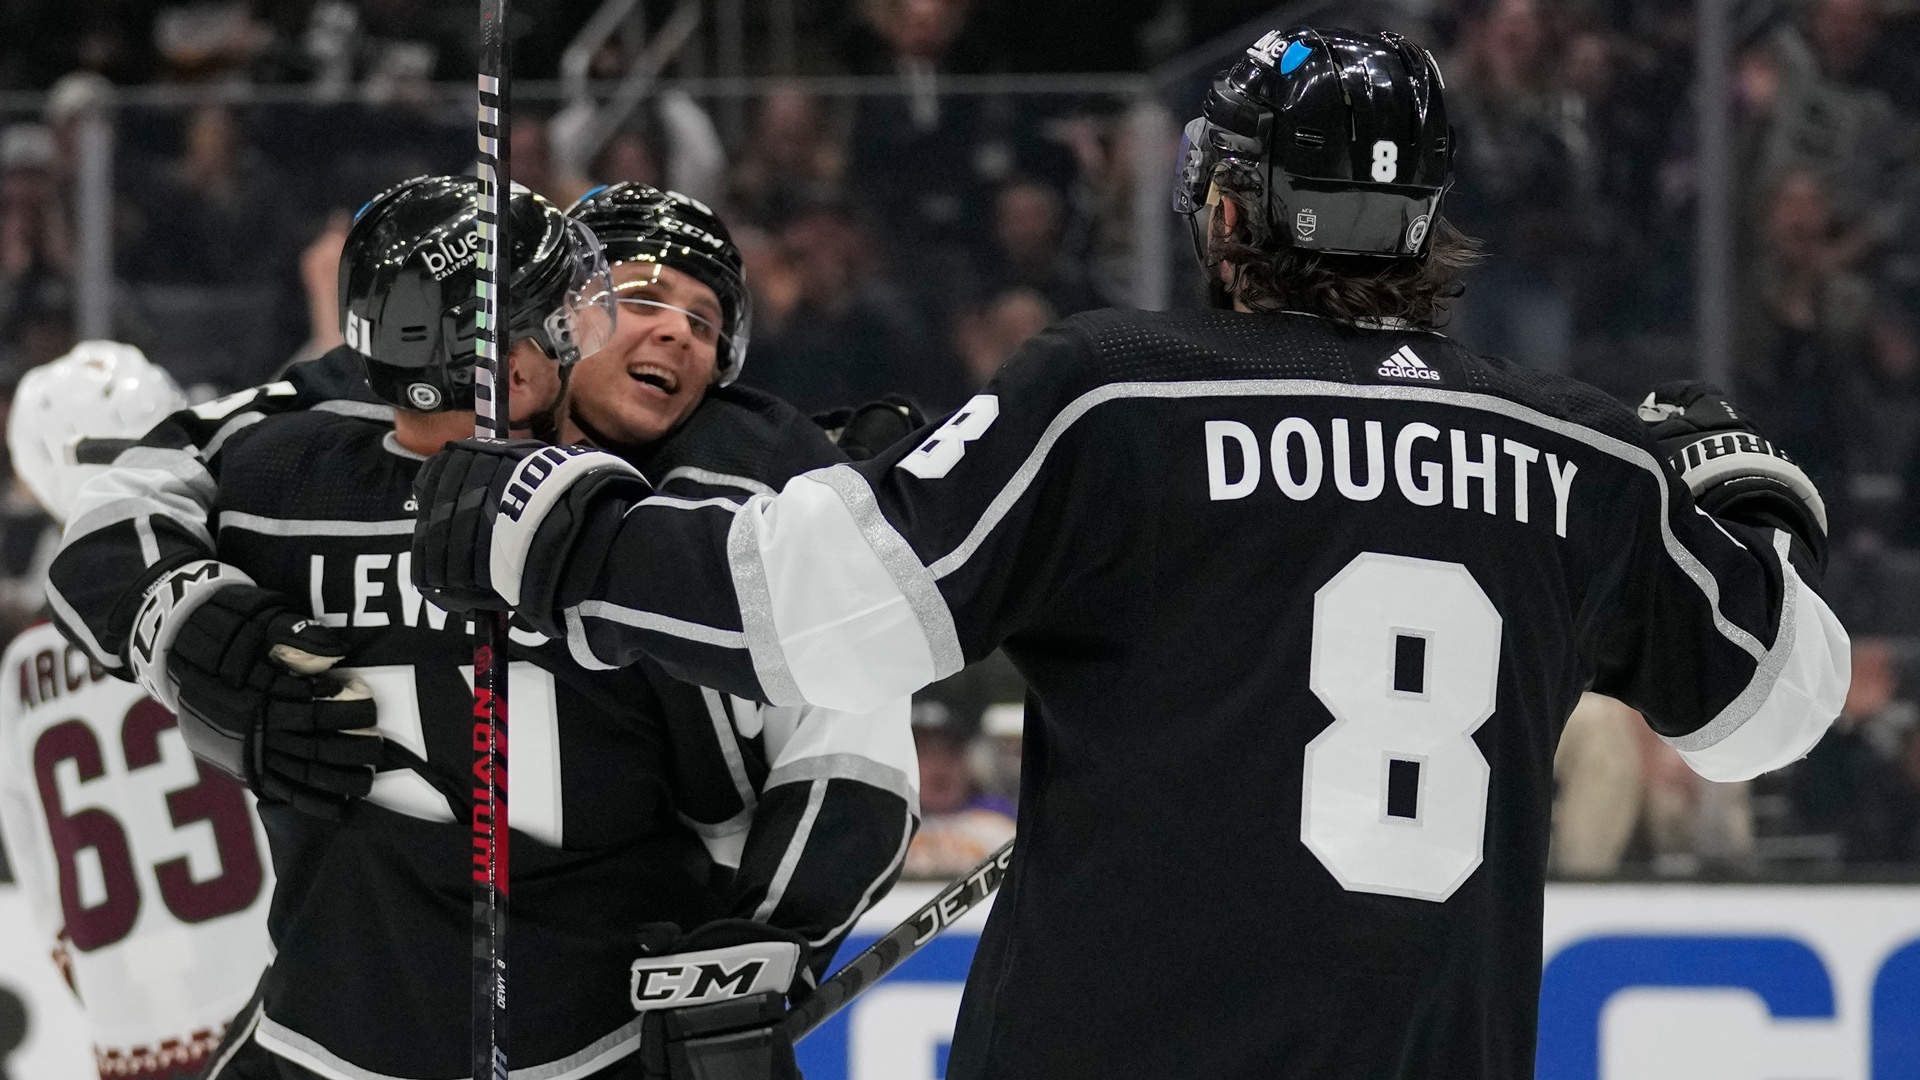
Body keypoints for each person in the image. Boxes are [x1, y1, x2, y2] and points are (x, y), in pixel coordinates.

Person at [407, 28, 1850, 1080]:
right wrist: (1748, 514)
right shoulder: (1577, 456)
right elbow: (1777, 711)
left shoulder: (1120, 390)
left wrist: (555, 531)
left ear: (1222, 206)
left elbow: (826, 607)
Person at [48, 176, 914, 1080]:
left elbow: (136, 490)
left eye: (707, 322)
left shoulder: (285, 474)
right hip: (541, 1027)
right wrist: (187, 629)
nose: (678, 333)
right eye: (642, 296)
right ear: (526, 317)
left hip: (353, 1025)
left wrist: (770, 939)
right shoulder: (726, 499)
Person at [0, 341, 277, 1080]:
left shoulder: (25, 663)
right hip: (280, 999)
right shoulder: (233, 595)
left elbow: (37, 867)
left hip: (132, 1031)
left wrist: (115, 994)